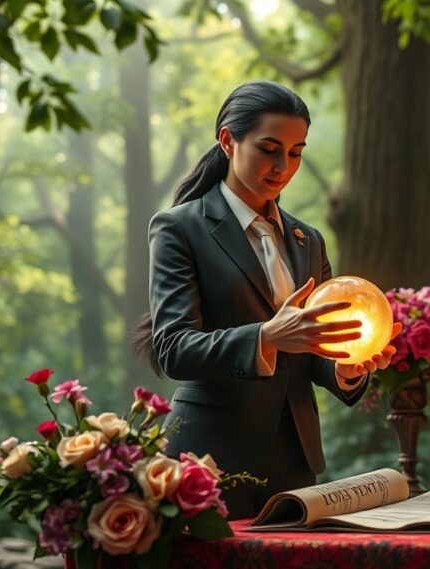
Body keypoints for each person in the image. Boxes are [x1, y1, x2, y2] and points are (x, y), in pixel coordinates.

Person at [133, 81, 399, 520]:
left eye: (296, 152)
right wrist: (267, 336)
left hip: (294, 463)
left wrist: (347, 367)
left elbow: (313, 355)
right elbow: (174, 349)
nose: (283, 166)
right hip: (208, 462)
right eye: (269, 148)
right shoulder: (179, 229)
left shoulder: (307, 239)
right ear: (227, 140)